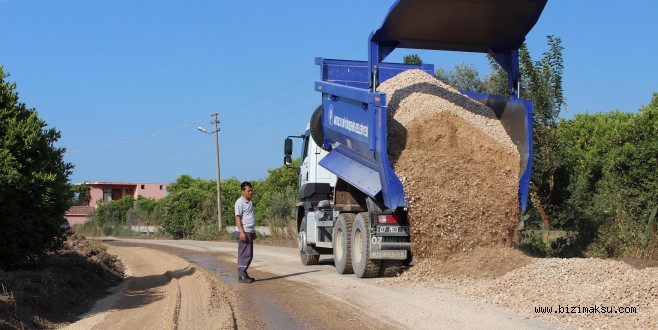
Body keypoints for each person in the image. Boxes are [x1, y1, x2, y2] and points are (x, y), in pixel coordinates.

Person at [235, 181, 256, 283]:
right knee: (245, 254)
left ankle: (243, 273)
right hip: (244, 231)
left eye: (251, 190)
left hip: (249, 231)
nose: (251, 192)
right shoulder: (240, 202)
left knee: (249, 254)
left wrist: (253, 231)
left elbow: (250, 217)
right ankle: (242, 275)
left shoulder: (250, 202)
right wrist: (242, 232)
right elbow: (238, 218)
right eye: (248, 191)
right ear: (243, 191)